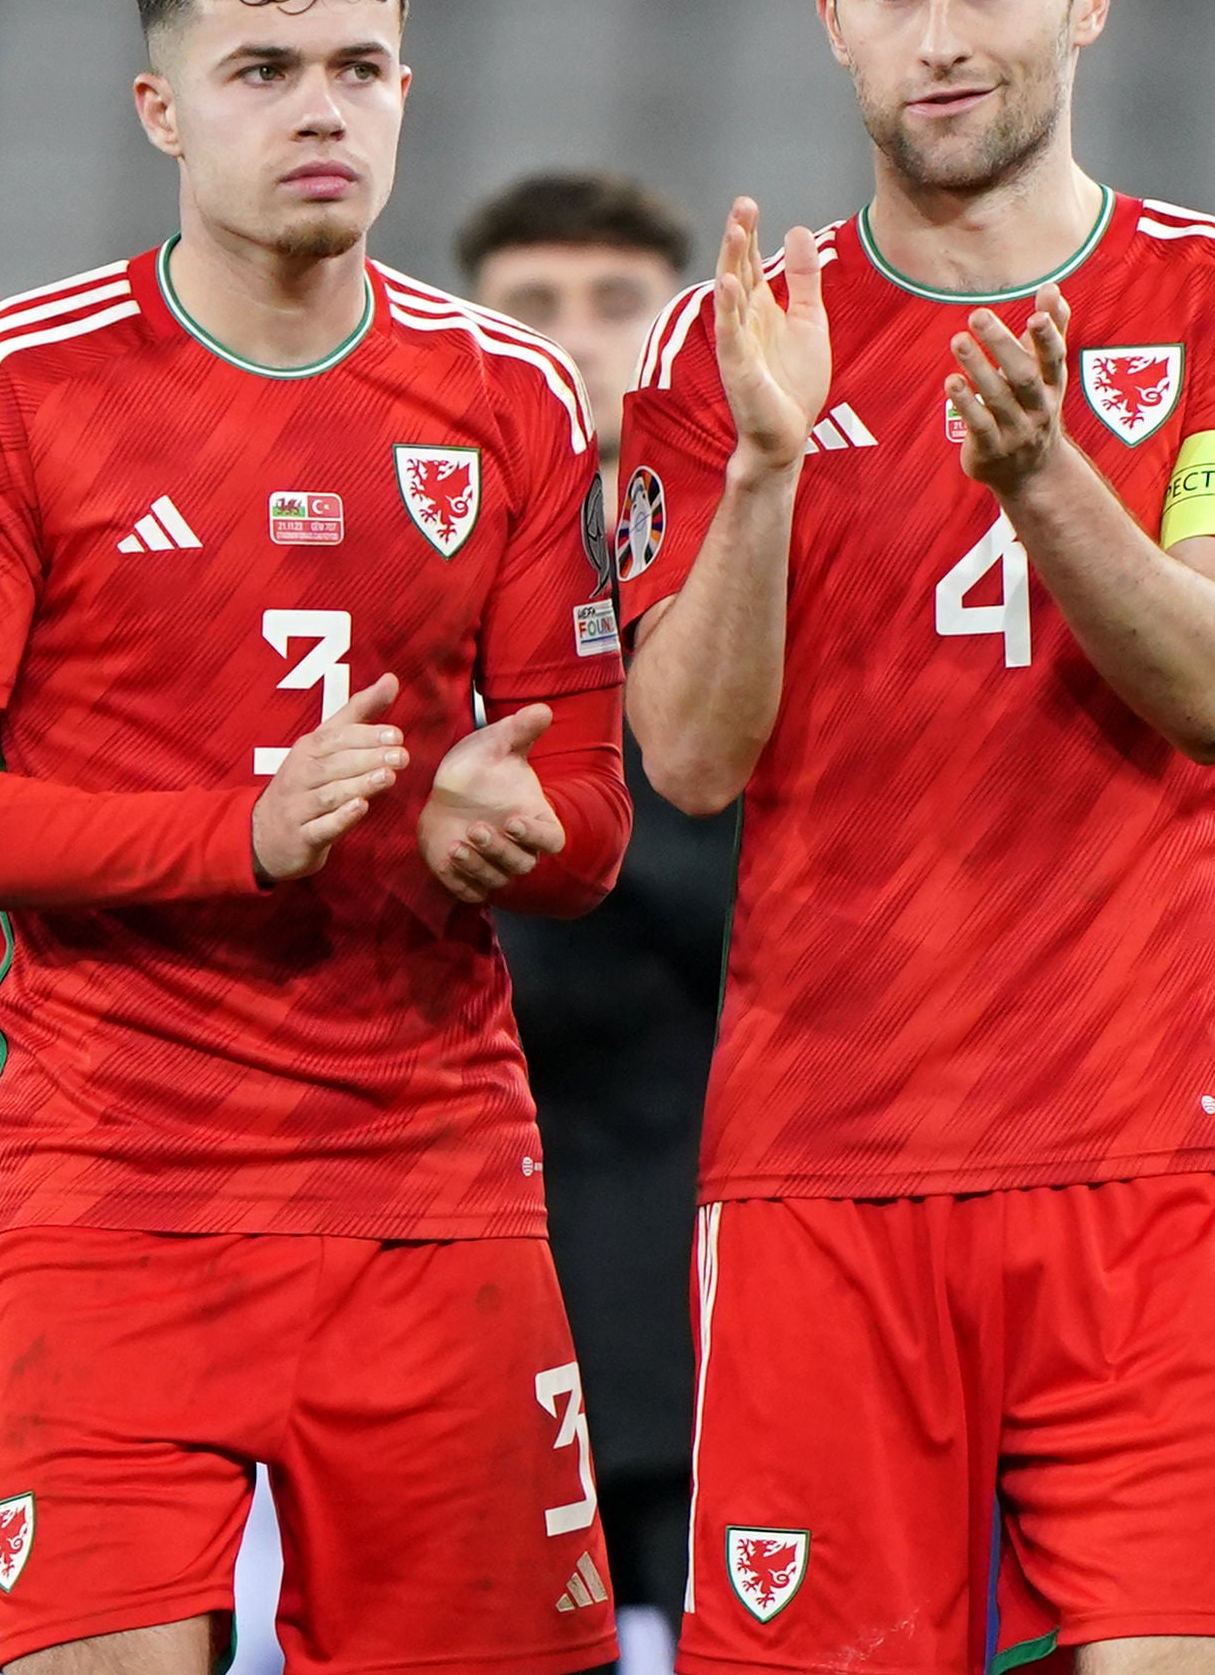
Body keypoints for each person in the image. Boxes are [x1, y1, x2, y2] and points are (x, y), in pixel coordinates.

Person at [0, 0, 634, 1675]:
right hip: (112, 1201)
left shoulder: (505, 398)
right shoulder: (10, 390)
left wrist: (505, 834)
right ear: (162, 108)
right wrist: (243, 834)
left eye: (360, 66)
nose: (322, 109)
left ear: (409, 93)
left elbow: (587, 822)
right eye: (263, 68)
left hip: (429, 1197)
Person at [615, 0, 1215, 1675]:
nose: (943, 36)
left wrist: (1044, 484)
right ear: (830, 15)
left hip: (1146, 1165)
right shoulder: (724, 357)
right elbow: (689, 762)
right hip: (820, 1177)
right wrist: (771, 468)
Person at [459, 173, 733, 1675]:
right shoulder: (401, 585)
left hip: (717, 1245)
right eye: (529, 309)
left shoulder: (760, 577)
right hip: (479, 1254)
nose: (572, 342)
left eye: (614, 305)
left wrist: (543, 842)